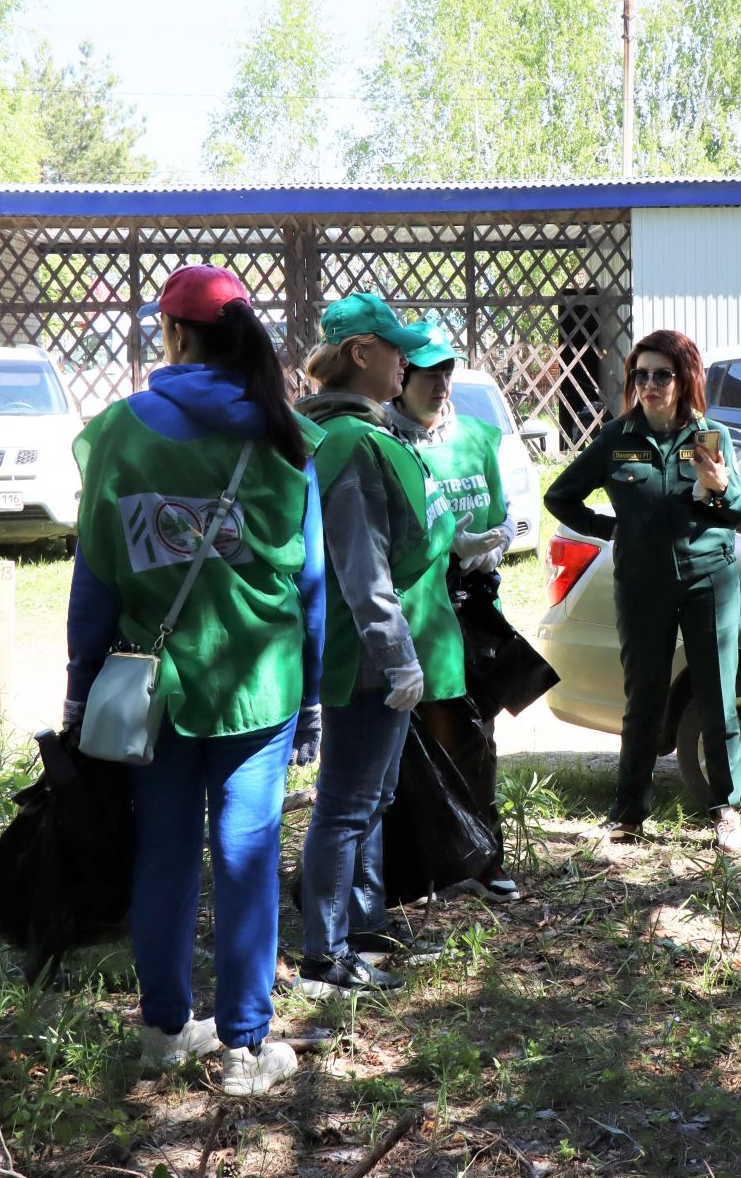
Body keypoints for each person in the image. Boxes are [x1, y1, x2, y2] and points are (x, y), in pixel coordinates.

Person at [65, 263, 322, 1096]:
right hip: (262, 686)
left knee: (166, 856)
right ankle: (247, 1050)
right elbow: (312, 582)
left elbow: (97, 575)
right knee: (247, 858)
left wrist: (78, 683)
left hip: (156, 686)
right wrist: (314, 692)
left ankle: (164, 1029)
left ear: (173, 336)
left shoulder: (118, 432)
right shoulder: (283, 434)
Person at [295, 292, 465, 996]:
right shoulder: (354, 443)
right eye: (396, 348)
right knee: (345, 804)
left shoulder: (331, 431)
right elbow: (360, 566)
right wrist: (396, 655)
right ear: (361, 353)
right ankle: (325, 958)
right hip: (364, 654)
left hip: (355, 644)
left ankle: (356, 927)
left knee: (367, 796)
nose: (407, 361)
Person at [544, 330, 741, 852]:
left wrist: (722, 489)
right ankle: (629, 811)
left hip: (709, 582)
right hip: (641, 587)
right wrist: (613, 530)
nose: (651, 385)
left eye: (662, 374)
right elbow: (560, 496)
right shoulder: (618, 438)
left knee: (716, 695)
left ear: (686, 379)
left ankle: (727, 811)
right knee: (644, 697)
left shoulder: (711, 437)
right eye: (642, 375)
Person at [384, 324, 521, 902]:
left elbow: (502, 514)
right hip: (411, 607)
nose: (441, 384)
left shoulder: (480, 437)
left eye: (447, 372)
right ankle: (419, 864)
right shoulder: (386, 443)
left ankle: (482, 854)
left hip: (471, 608)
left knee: (474, 735)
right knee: (411, 744)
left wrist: (490, 544)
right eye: (429, 373)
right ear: (401, 379)